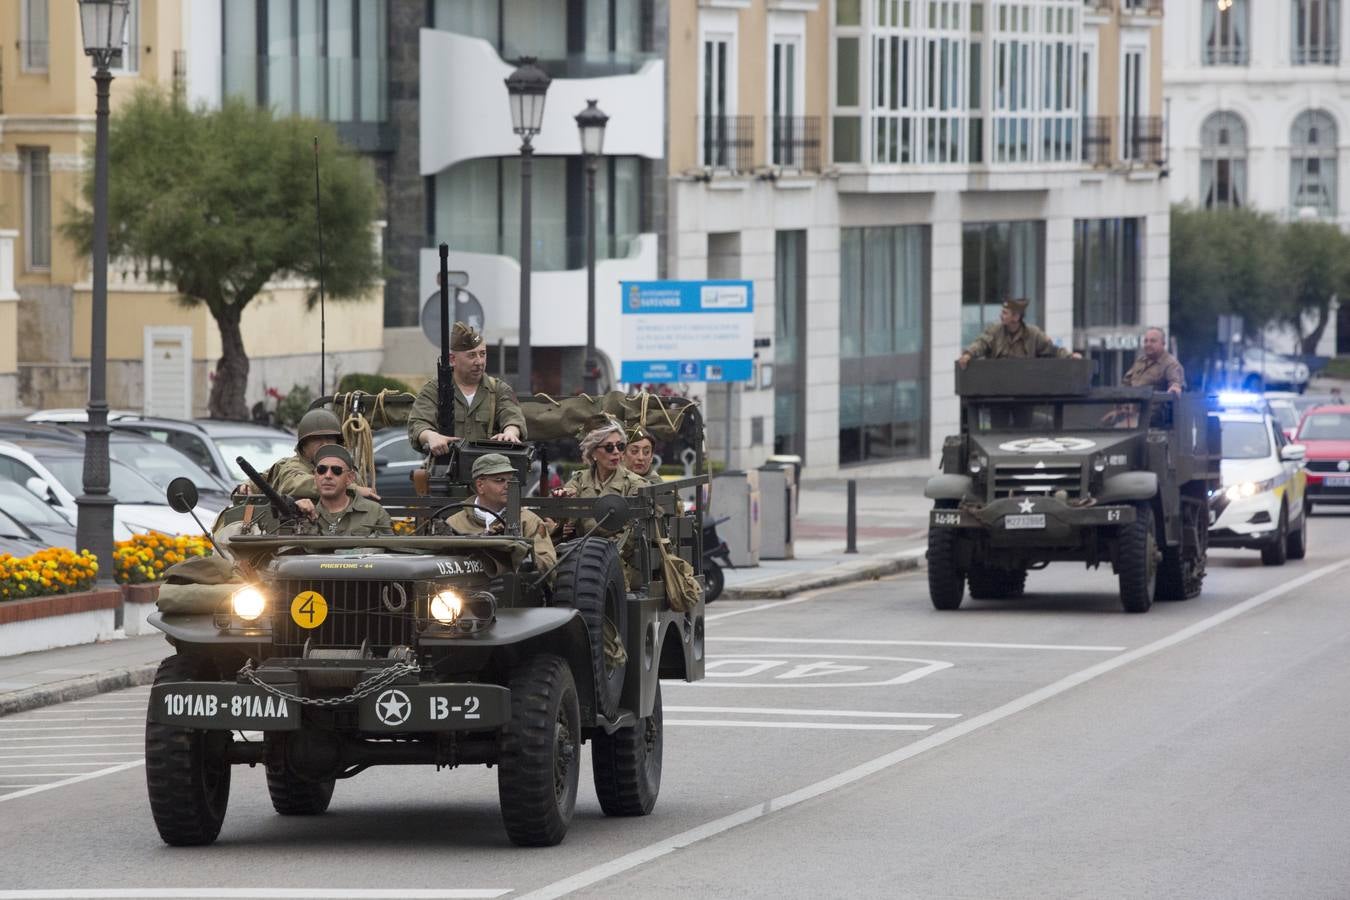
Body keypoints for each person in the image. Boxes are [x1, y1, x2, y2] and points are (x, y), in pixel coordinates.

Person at [407, 321, 527, 455]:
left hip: (489, 470)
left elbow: (513, 416)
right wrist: (430, 436)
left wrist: (510, 432)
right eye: (472, 355)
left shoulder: (499, 389)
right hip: (447, 467)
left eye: (482, 354)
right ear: (452, 359)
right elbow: (418, 424)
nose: (479, 362)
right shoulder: (435, 390)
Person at [445, 453, 556, 573]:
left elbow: (549, 564)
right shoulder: (454, 523)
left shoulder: (527, 520)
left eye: (511, 480)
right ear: (480, 485)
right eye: (500, 480)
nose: (508, 486)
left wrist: (521, 556)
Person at [552, 415, 646, 541]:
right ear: (593, 452)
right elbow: (567, 524)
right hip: (579, 552)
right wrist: (563, 501)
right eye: (609, 447)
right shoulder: (579, 480)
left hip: (619, 556)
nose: (616, 452)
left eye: (620, 446)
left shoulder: (635, 484)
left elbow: (633, 533)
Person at [255, 409, 380, 502]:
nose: (324, 444)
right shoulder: (293, 466)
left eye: (330, 438)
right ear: (303, 446)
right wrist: (351, 489)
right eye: (317, 439)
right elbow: (293, 483)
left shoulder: (347, 468)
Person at [298, 445, 394, 536]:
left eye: (336, 470)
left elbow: (392, 547)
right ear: (315, 476)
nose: (327, 476)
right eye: (321, 470)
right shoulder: (305, 512)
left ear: (350, 478)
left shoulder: (374, 512)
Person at [957, 298, 1081, 368]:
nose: (1001, 316)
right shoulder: (995, 331)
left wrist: (1070, 356)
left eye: (1005, 313)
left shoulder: (1033, 334)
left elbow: (1053, 349)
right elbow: (981, 343)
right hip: (998, 390)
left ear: (1016, 317)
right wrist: (968, 354)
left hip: (1023, 390)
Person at [1123, 327, 1185, 394]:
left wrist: (1175, 388)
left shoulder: (1171, 364)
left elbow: (1175, 385)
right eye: (1146, 341)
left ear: (1163, 343)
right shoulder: (1140, 361)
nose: (1148, 344)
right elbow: (1126, 383)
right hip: (1131, 402)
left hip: (1152, 403)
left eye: (1153, 341)